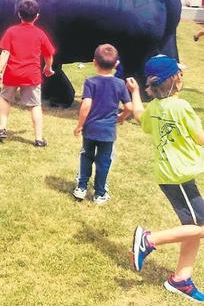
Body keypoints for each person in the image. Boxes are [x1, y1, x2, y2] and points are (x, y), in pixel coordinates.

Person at [128, 55, 204, 302]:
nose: (182, 76)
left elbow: (139, 115)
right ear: (174, 80)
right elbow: (200, 137)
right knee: (201, 226)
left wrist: (135, 92)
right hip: (178, 177)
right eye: (179, 73)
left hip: (172, 176)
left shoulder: (156, 108)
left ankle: (181, 279)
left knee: (193, 226)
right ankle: (149, 240)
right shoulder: (180, 107)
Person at [72, 44, 132, 204]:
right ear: (116, 64)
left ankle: (81, 187)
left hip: (90, 129)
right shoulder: (120, 84)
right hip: (108, 132)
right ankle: (99, 193)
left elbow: (86, 105)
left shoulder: (90, 82)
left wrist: (79, 125)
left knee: (86, 156)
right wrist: (121, 117)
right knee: (104, 161)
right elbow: (129, 107)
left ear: (94, 62)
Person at [0, 0, 55, 146]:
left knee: (5, 98)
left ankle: (2, 129)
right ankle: (39, 138)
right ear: (37, 16)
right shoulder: (40, 34)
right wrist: (48, 67)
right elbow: (48, 54)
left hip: (12, 73)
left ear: (19, 14)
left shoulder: (11, 31)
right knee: (35, 105)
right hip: (31, 75)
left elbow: (5, 53)